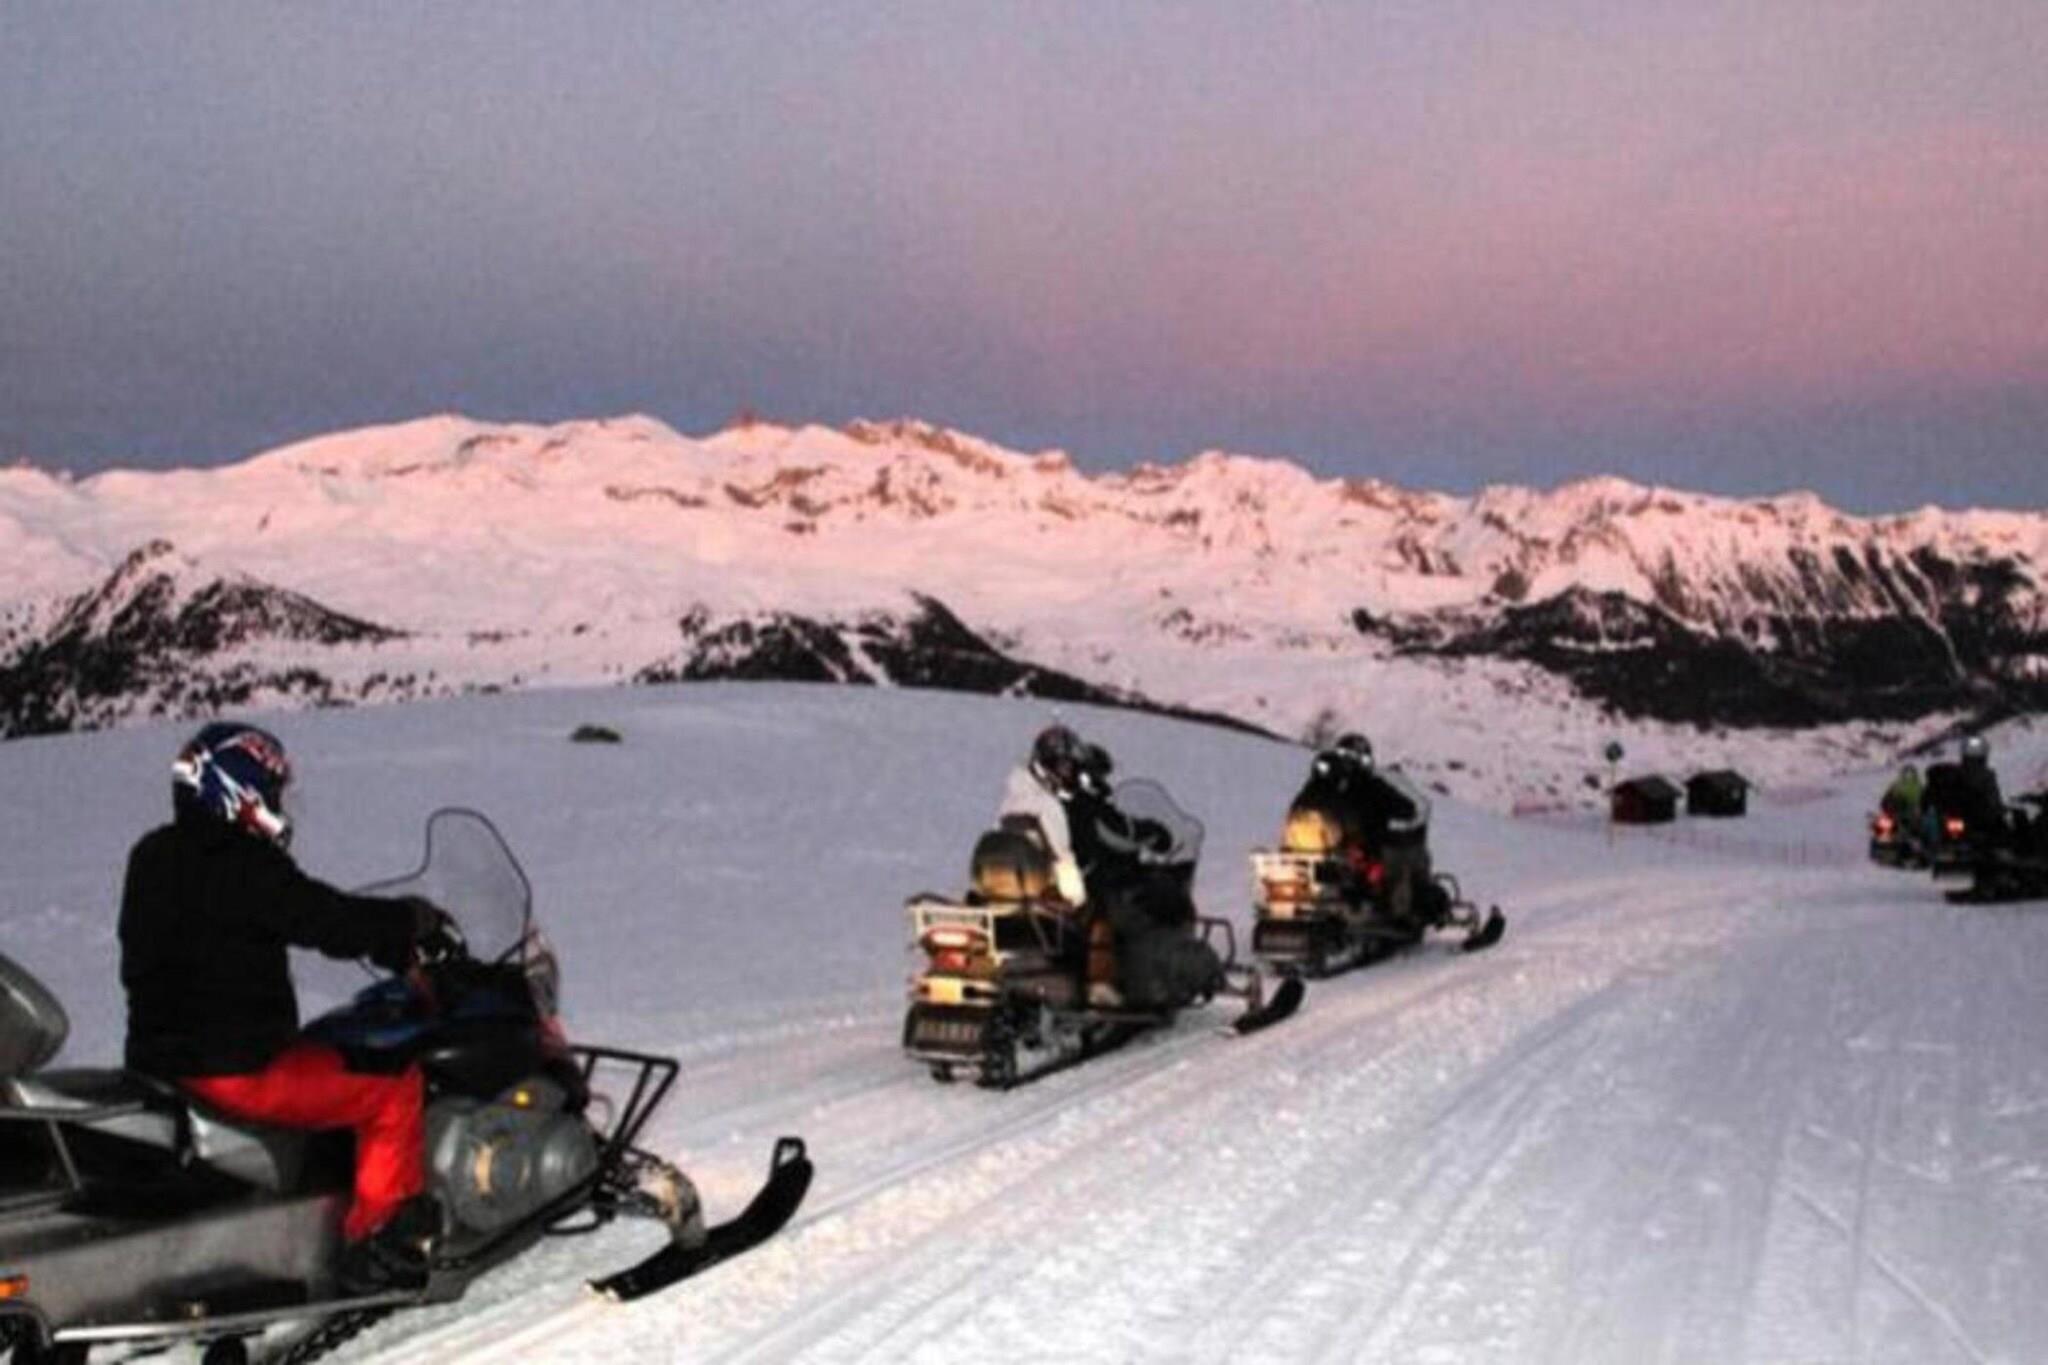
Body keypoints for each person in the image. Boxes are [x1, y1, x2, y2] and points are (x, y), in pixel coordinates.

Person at [119, 721, 456, 1293]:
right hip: (237, 1067)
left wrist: (388, 941)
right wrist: (410, 921)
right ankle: (380, 1242)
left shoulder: (153, 854)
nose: (278, 805)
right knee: (394, 1086)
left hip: (162, 1060)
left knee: (330, 1053)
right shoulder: (244, 863)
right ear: (241, 793)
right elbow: (324, 919)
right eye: (272, 792)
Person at [998, 725, 1219, 1010]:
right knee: (1113, 910)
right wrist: (1152, 833)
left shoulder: (1018, 802)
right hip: (1065, 884)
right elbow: (1110, 835)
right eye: (1066, 768)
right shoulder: (1070, 806)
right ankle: (1102, 984)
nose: (1071, 775)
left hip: (1030, 885)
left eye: (1073, 768)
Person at [1285, 733, 1438, 931]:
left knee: (1387, 862)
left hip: (1318, 848)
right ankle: (1396, 914)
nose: (1350, 762)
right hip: (1352, 849)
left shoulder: (1321, 785)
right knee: (1400, 860)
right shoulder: (1365, 785)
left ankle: (1391, 909)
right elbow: (1404, 808)